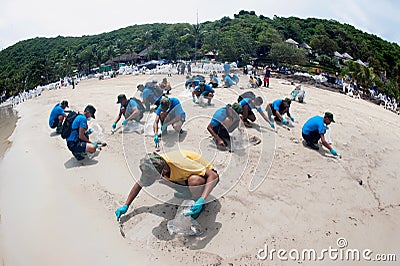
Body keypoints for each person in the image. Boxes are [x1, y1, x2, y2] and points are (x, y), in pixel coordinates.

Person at [115, 150, 220, 220]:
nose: (150, 180)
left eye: (153, 177)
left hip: (206, 177)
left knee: (194, 181)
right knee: (164, 180)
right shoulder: (154, 166)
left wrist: (201, 199)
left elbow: (213, 176)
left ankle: (198, 202)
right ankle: (187, 192)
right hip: (183, 177)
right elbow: (139, 184)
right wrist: (126, 205)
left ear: (163, 170)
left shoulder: (181, 164)